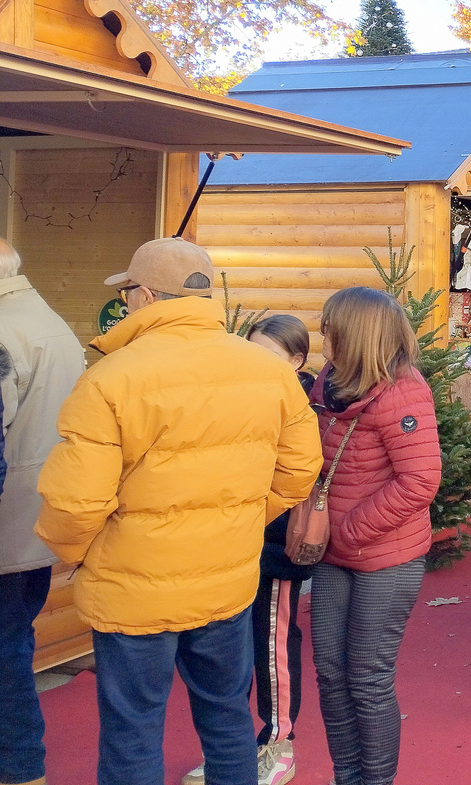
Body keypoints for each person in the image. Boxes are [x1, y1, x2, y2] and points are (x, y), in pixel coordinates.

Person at [35, 238, 320, 785]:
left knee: (132, 727)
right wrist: (239, 521)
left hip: (131, 588)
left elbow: (75, 503)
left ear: (143, 295)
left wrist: (72, 554)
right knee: (227, 715)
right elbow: (300, 468)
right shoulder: (268, 371)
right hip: (227, 579)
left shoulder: (111, 378)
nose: (124, 304)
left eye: (126, 294)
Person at [308, 287, 441, 785]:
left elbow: (421, 480)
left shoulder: (403, 390)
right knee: (329, 673)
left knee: (366, 678)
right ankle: (348, 776)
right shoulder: (330, 382)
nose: (323, 334)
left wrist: (349, 530)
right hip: (335, 552)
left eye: (330, 326)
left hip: (386, 556)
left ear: (355, 333)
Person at [184, 314, 317, 785]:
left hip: (275, 544)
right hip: (231, 546)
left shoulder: (303, 405)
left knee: (273, 642)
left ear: (297, 360)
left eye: (270, 356)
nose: (256, 364)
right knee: (231, 654)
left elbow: (298, 476)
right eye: (251, 352)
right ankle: (235, 753)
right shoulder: (238, 398)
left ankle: (279, 743)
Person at [0, 238, 85, 785]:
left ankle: (21, 764)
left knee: (6, 653)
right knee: (13, 643)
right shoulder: (46, 318)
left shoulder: (5, 329)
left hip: (6, 528)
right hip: (33, 523)